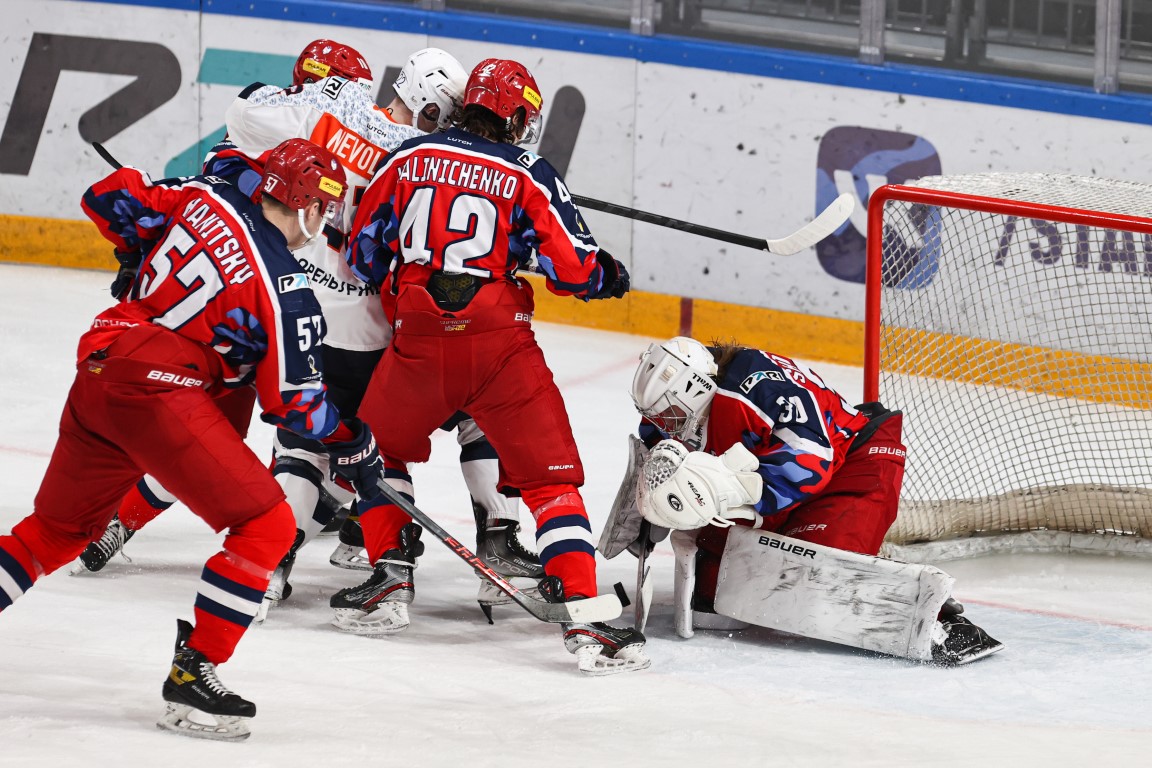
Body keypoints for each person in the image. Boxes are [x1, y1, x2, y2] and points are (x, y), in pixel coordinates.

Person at [74, 43, 541, 619]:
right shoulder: (427, 157)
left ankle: (277, 562)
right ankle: (430, 550)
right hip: (375, 330)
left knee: (287, 444)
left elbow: (236, 134)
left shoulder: (307, 126)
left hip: (285, 312)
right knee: (409, 432)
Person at [0, 138, 386, 740]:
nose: (325, 221)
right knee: (269, 526)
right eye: (323, 207)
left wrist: (133, 255)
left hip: (101, 370)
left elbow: (109, 194)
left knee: (55, 531)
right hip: (156, 392)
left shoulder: (200, 195)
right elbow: (295, 407)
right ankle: (193, 677)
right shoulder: (284, 287)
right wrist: (353, 440)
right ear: (307, 204)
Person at [339, 57, 647, 675]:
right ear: (515, 116)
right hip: (498, 344)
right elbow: (574, 269)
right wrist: (608, 274)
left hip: (418, 340)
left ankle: (389, 581)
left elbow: (364, 254)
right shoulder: (529, 173)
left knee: (377, 448)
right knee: (549, 479)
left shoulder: (405, 161)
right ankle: (586, 619)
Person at [627, 336, 1003, 665]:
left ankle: (936, 616)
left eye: (669, 413)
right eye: (655, 415)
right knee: (720, 589)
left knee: (817, 574)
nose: (663, 424)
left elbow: (810, 462)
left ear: (695, 387)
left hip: (854, 463)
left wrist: (730, 495)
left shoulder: (755, 390)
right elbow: (654, 456)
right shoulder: (679, 410)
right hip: (775, 480)